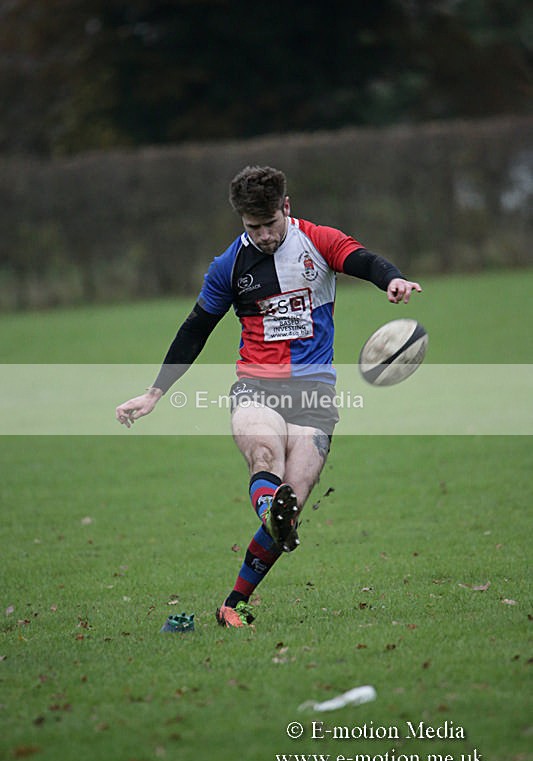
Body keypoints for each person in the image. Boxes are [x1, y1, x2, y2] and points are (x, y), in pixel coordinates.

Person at [116, 165, 422, 628]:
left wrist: (392, 279)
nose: (262, 235)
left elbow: (364, 260)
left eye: (269, 225)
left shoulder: (317, 242)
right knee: (264, 455)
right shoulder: (229, 267)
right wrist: (155, 392)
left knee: (290, 509)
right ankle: (269, 508)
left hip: (315, 393)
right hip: (256, 387)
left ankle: (233, 603)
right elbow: (196, 328)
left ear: (286, 207)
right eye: (251, 227)